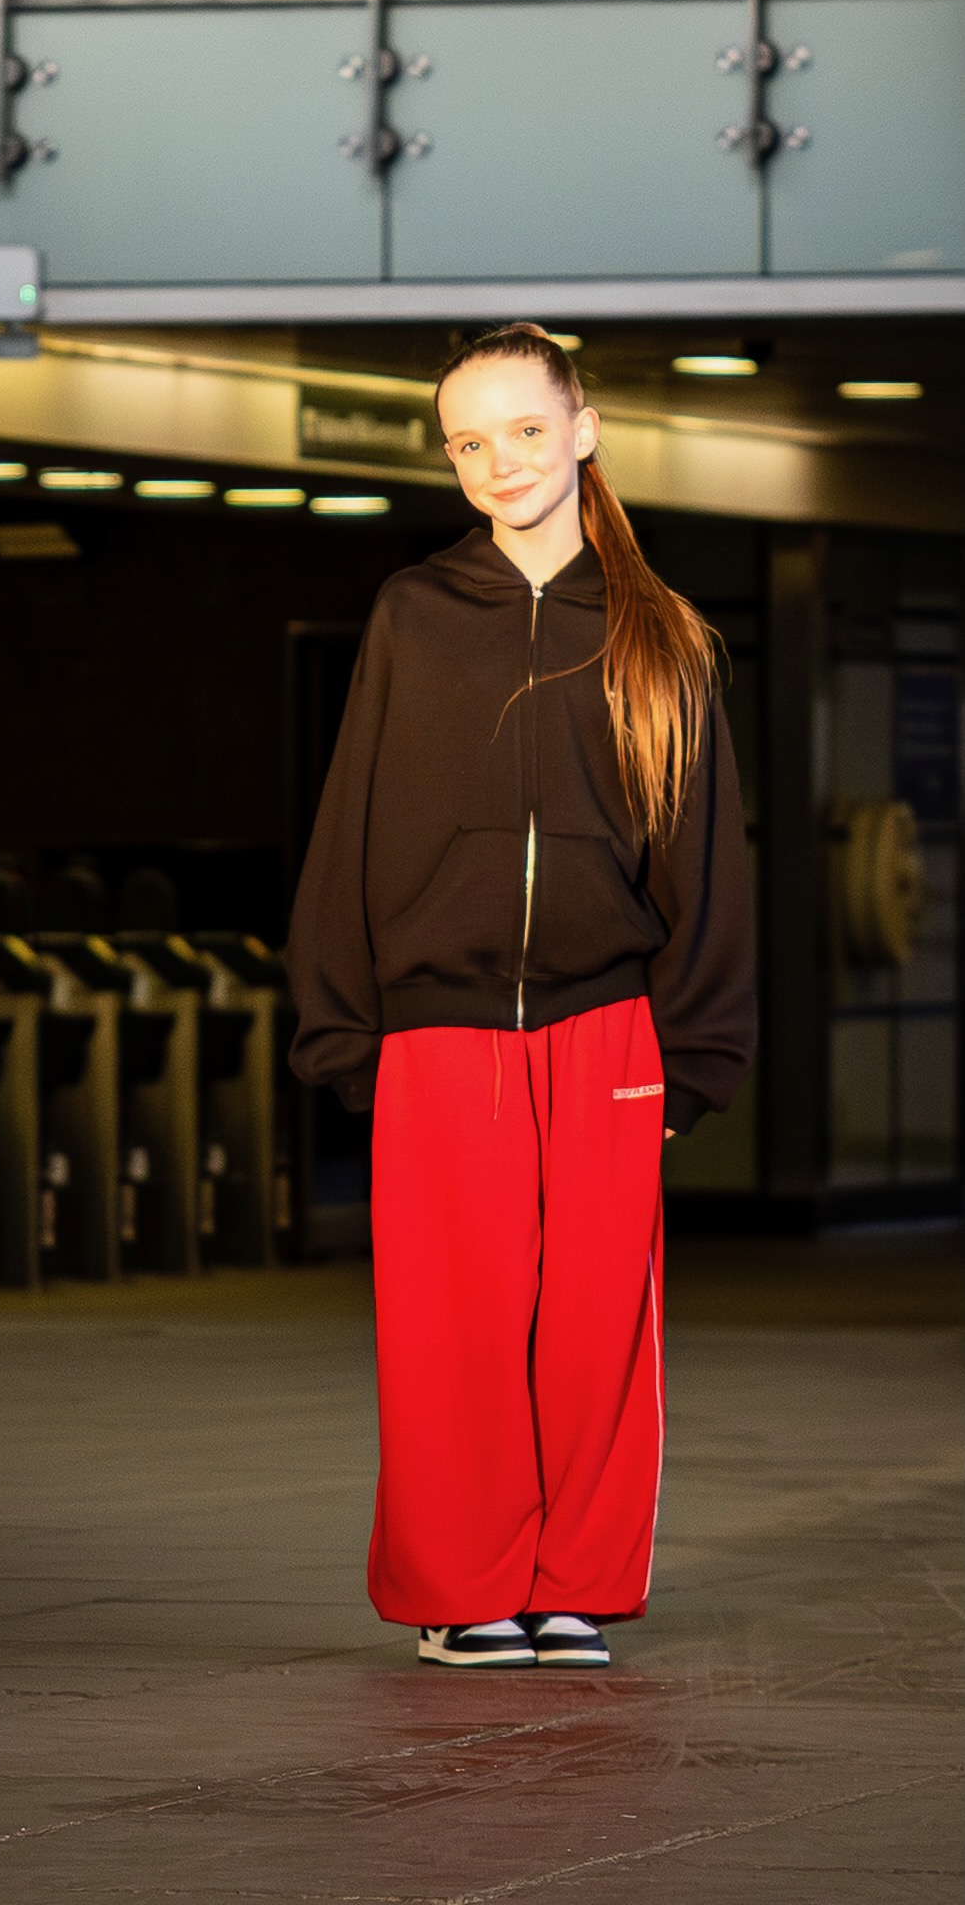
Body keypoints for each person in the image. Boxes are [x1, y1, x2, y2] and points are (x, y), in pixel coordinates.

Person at [286, 324, 756, 1671]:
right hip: (439, 1029)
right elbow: (350, 821)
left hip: (608, 1028)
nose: (501, 462)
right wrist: (346, 1032)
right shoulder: (413, 615)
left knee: (598, 1327)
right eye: (470, 442)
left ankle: (573, 1585)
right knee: (453, 1324)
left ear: (584, 431)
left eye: (528, 431)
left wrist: (697, 1057)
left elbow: (706, 855)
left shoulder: (660, 633)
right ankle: (463, 1588)